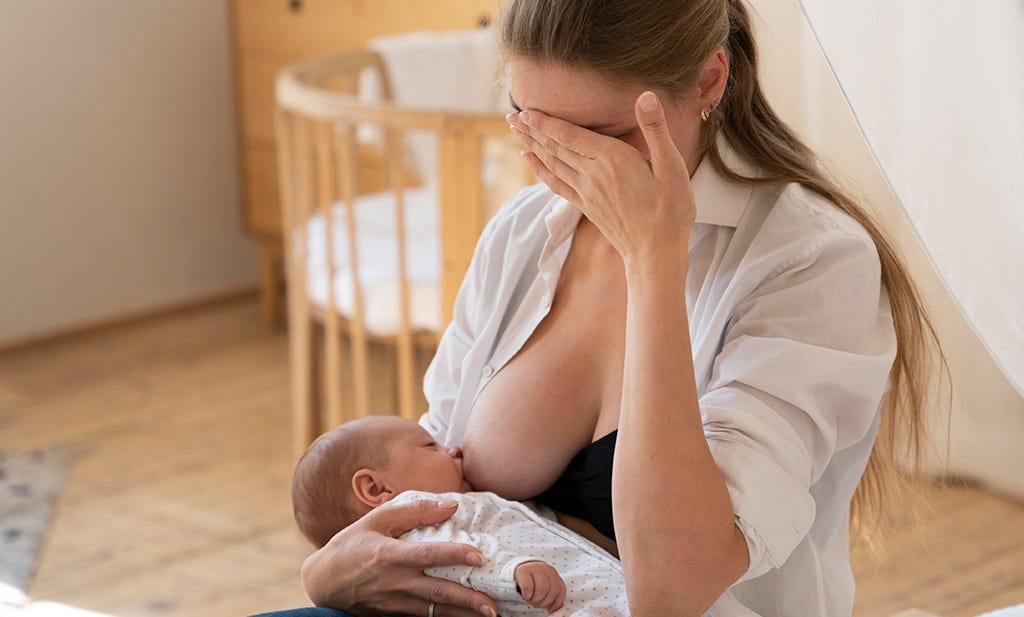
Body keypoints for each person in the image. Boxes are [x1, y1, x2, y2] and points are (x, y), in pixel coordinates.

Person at [289, 0, 947, 616]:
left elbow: (672, 587)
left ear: (709, 81)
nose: (559, 162)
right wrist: (324, 575)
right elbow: (428, 494)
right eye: (530, 121)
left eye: (599, 136)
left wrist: (653, 260)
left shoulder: (813, 263)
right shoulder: (527, 227)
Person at [290, 415, 637, 616]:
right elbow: (459, 556)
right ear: (377, 490)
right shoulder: (416, 524)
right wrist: (510, 572)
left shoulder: (457, 506)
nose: (453, 447)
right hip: (563, 601)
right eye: (431, 446)